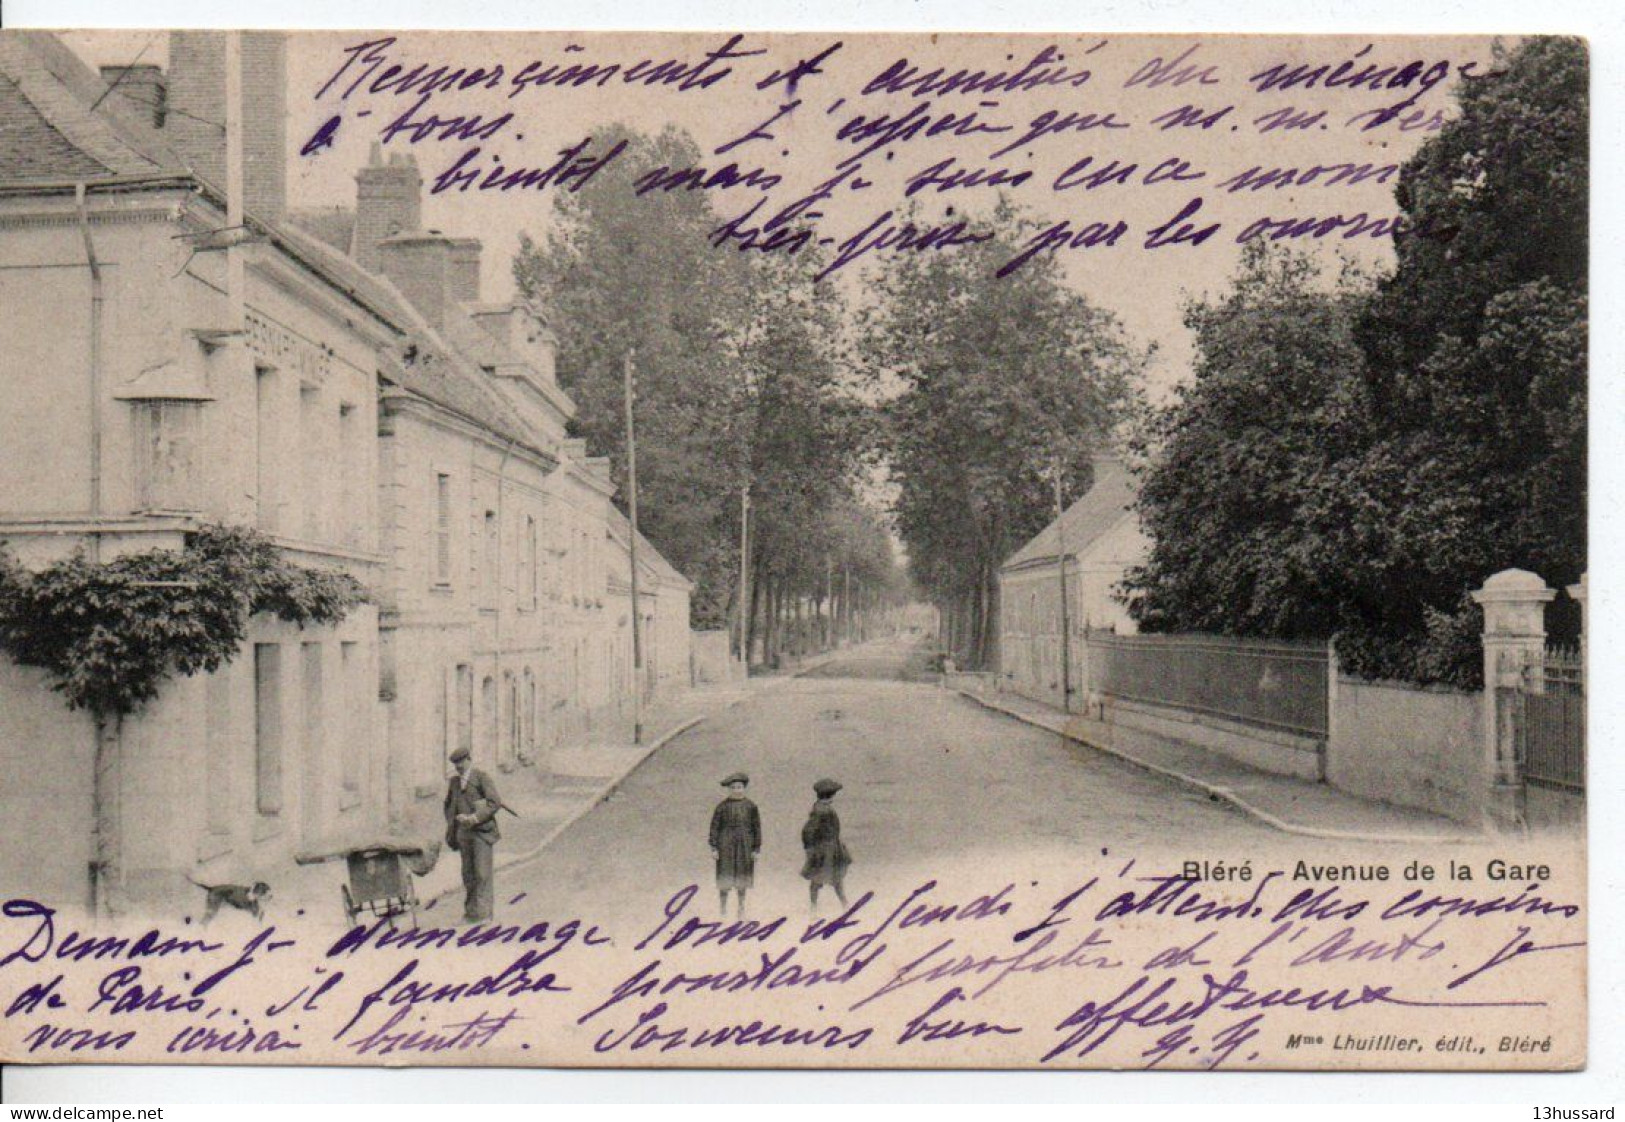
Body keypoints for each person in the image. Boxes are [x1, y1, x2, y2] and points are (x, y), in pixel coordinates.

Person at [444, 747, 501, 924]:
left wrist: (475, 817)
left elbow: (494, 803)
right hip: (463, 834)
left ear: (469, 759)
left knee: (482, 873)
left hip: (481, 833)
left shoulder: (481, 777)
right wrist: (454, 821)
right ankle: (471, 914)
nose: (458, 767)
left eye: (461, 762)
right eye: (455, 764)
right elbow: (447, 804)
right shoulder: (454, 782)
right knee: (468, 875)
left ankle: (484, 914)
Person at [709, 772, 760, 918]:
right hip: (725, 845)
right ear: (729, 789)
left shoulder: (751, 806)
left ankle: (741, 908)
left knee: (742, 876)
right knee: (725, 876)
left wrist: (756, 848)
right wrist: (714, 847)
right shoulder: (722, 807)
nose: (737, 790)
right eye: (733, 787)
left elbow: (756, 828)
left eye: (740, 787)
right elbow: (714, 827)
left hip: (745, 845)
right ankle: (723, 909)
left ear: (744, 788)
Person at [801, 778, 852, 914]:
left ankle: (843, 905)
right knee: (824, 879)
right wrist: (809, 847)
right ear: (830, 795)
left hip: (830, 847)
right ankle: (818, 908)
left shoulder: (821, 807)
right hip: (825, 849)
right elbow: (808, 830)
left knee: (829, 878)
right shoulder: (822, 810)